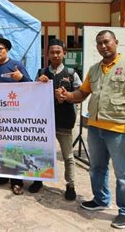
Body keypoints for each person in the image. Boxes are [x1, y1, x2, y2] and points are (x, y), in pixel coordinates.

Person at [56, 30, 125, 229]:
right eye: (99, 43)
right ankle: (100, 200)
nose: (103, 46)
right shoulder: (95, 69)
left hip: (118, 129)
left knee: (123, 173)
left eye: (106, 42)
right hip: (95, 128)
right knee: (97, 168)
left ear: (116, 42)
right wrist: (67, 96)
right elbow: (82, 93)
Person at [29, 39, 81, 200]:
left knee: (67, 156)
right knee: (41, 152)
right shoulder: (41, 73)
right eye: (52, 52)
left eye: (58, 52)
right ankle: (39, 180)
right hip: (45, 122)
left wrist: (67, 97)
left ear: (64, 53)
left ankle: (70, 185)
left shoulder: (72, 74)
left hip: (65, 121)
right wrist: (37, 84)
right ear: (47, 55)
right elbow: (32, 95)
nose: (55, 55)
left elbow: (80, 96)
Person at [0, 34, 32, 195]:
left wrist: (21, 78)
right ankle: (2, 177)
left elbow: (32, 87)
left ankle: (16, 181)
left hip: (13, 116)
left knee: (13, 148)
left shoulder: (16, 66)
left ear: (7, 50)